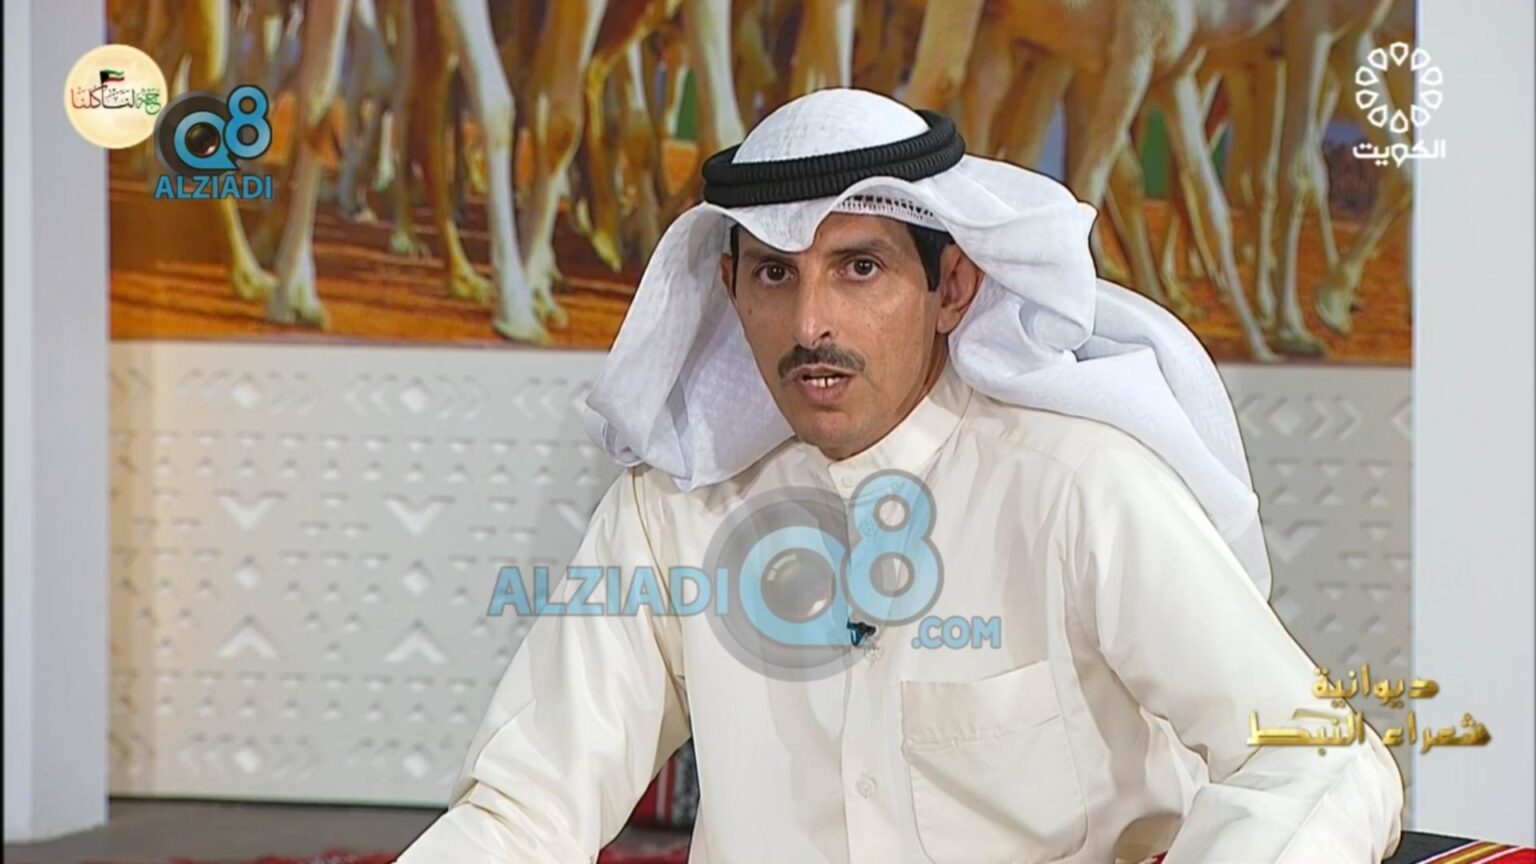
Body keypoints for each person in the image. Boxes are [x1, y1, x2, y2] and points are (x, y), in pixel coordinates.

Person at [397, 89, 1404, 863]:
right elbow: (526, 805)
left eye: (860, 268)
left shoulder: (1074, 489)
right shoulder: (673, 515)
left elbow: (1316, 759)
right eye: (776, 273)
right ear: (730, 289)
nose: (811, 324)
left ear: (952, 287)